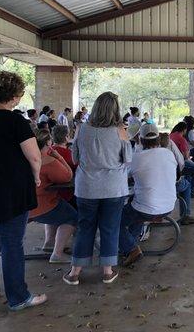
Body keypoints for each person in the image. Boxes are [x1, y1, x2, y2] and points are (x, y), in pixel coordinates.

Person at [0, 71, 47, 310]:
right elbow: (34, 156)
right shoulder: (16, 122)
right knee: (12, 243)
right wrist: (37, 177)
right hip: (13, 191)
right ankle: (18, 296)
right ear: (15, 96)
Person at [63, 92, 132, 286]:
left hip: (86, 187)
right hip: (113, 188)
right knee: (110, 228)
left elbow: (75, 159)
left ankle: (75, 272)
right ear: (115, 109)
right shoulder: (120, 130)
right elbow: (128, 159)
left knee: (85, 227)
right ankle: (107, 272)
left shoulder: (82, 129)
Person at [118, 123, 178, 267]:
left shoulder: (136, 158)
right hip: (169, 205)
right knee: (136, 208)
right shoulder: (168, 153)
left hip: (146, 208)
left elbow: (122, 176)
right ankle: (129, 247)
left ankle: (132, 249)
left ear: (140, 139)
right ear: (158, 139)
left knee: (112, 221)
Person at [29, 130, 75, 264]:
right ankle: (57, 254)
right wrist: (58, 157)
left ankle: (49, 242)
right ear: (48, 143)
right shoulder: (47, 160)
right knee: (72, 217)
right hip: (41, 204)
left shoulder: (25, 156)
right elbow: (67, 176)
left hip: (24, 205)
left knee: (58, 209)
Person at [170, 121, 194, 217]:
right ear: (184, 130)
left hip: (172, 164)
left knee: (189, 173)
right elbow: (185, 157)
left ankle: (190, 183)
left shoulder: (171, 136)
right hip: (180, 164)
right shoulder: (181, 139)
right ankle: (192, 189)